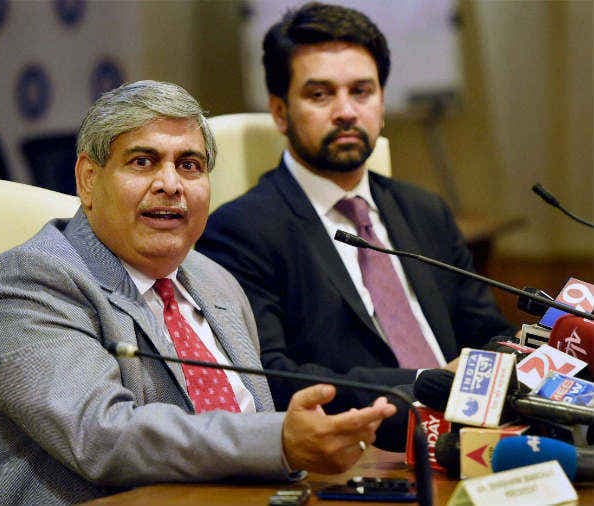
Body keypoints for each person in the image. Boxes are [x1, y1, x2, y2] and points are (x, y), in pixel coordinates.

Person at [0, 80, 396, 505]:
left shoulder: (215, 280)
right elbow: (103, 437)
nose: (170, 184)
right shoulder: (27, 282)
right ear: (88, 179)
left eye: (189, 166)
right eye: (143, 162)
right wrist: (277, 441)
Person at [196, 2, 515, 448]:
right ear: (280, 112)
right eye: (320, 94)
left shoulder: (426, 211)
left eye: (361, 91)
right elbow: (273, 376)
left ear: (381, 104)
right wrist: (425, 383)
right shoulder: (239, 231)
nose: (346, 111)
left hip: (475, 437)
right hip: (360, 451)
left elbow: (488, 333)